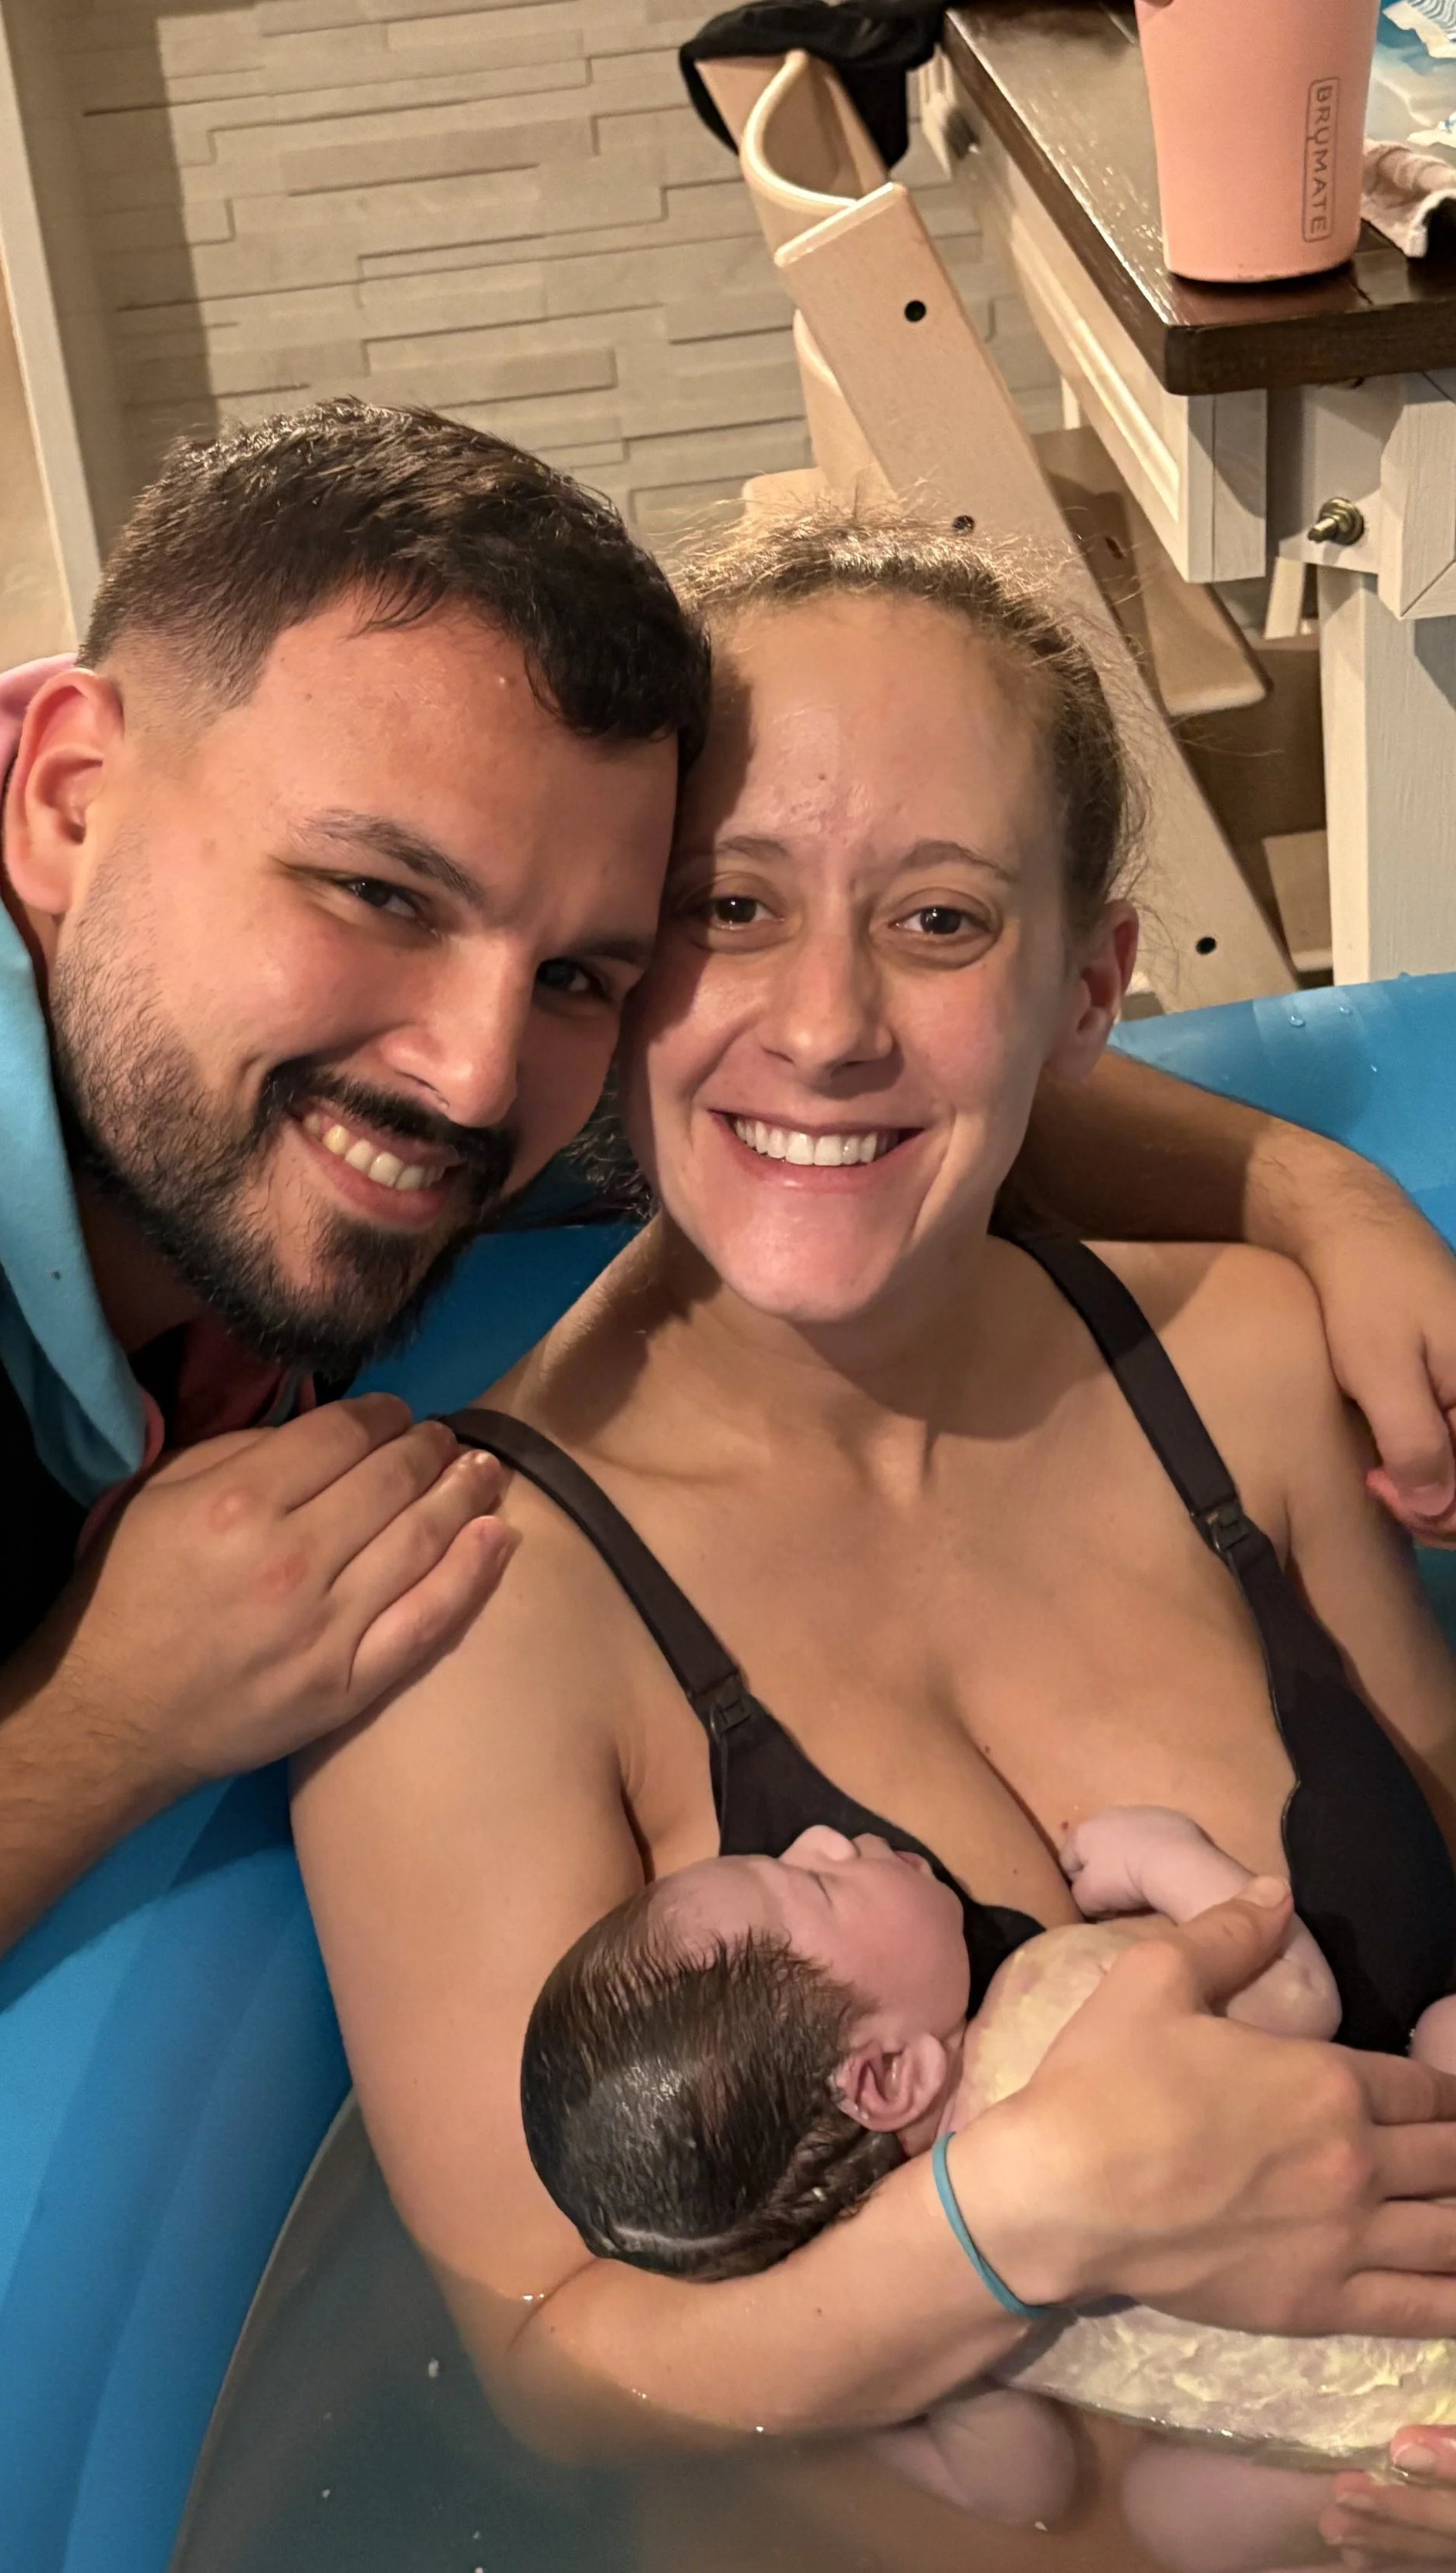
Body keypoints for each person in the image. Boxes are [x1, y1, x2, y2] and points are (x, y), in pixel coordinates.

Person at [0, 419, 1454, 2388]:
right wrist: (93, 1723)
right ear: (66, 799)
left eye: (578, 973)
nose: (468, 1080)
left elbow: (856, 1076)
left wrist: (1316, 1193)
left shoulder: (250, 962)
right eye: (380, 893)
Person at [290, 507, 1456, 2568]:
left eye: (937, 920)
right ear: (616, 968)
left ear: (1089, 985)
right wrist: (1022, 2226)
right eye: (731, 907)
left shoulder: (1253, 1366)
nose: (824, 1022)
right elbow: (559, 2368)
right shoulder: (470, 1611)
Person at [521, 1804, 1456, 2567]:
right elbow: (1298, 1994)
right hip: (1430, 2244)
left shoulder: (950, 2329)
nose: (819, 1838)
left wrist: (868, 2411)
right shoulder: (1050, 2003)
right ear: (887, 2076)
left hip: (1389, 2443)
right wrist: (1160, 1855)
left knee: (1170, 2515)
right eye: (815, 1883)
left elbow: (1026, 2488)